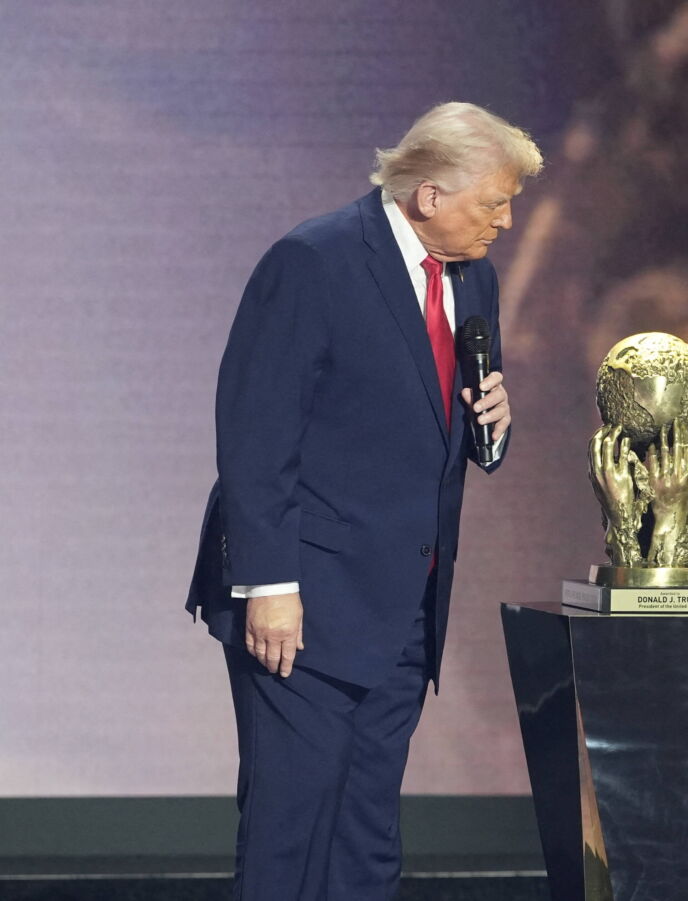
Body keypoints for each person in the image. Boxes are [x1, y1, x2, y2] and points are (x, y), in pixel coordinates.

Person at [185, 101, 542, 900]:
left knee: (367, 832)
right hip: (300, 604)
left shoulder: (473, 275)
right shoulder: (316, 260)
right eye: (494, 202)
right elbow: (255, 432)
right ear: (431, 195)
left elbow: (449, 430)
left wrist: (496, 425)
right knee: (292, 825)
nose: (507, 221)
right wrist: (270, 585)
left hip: (404, 608)